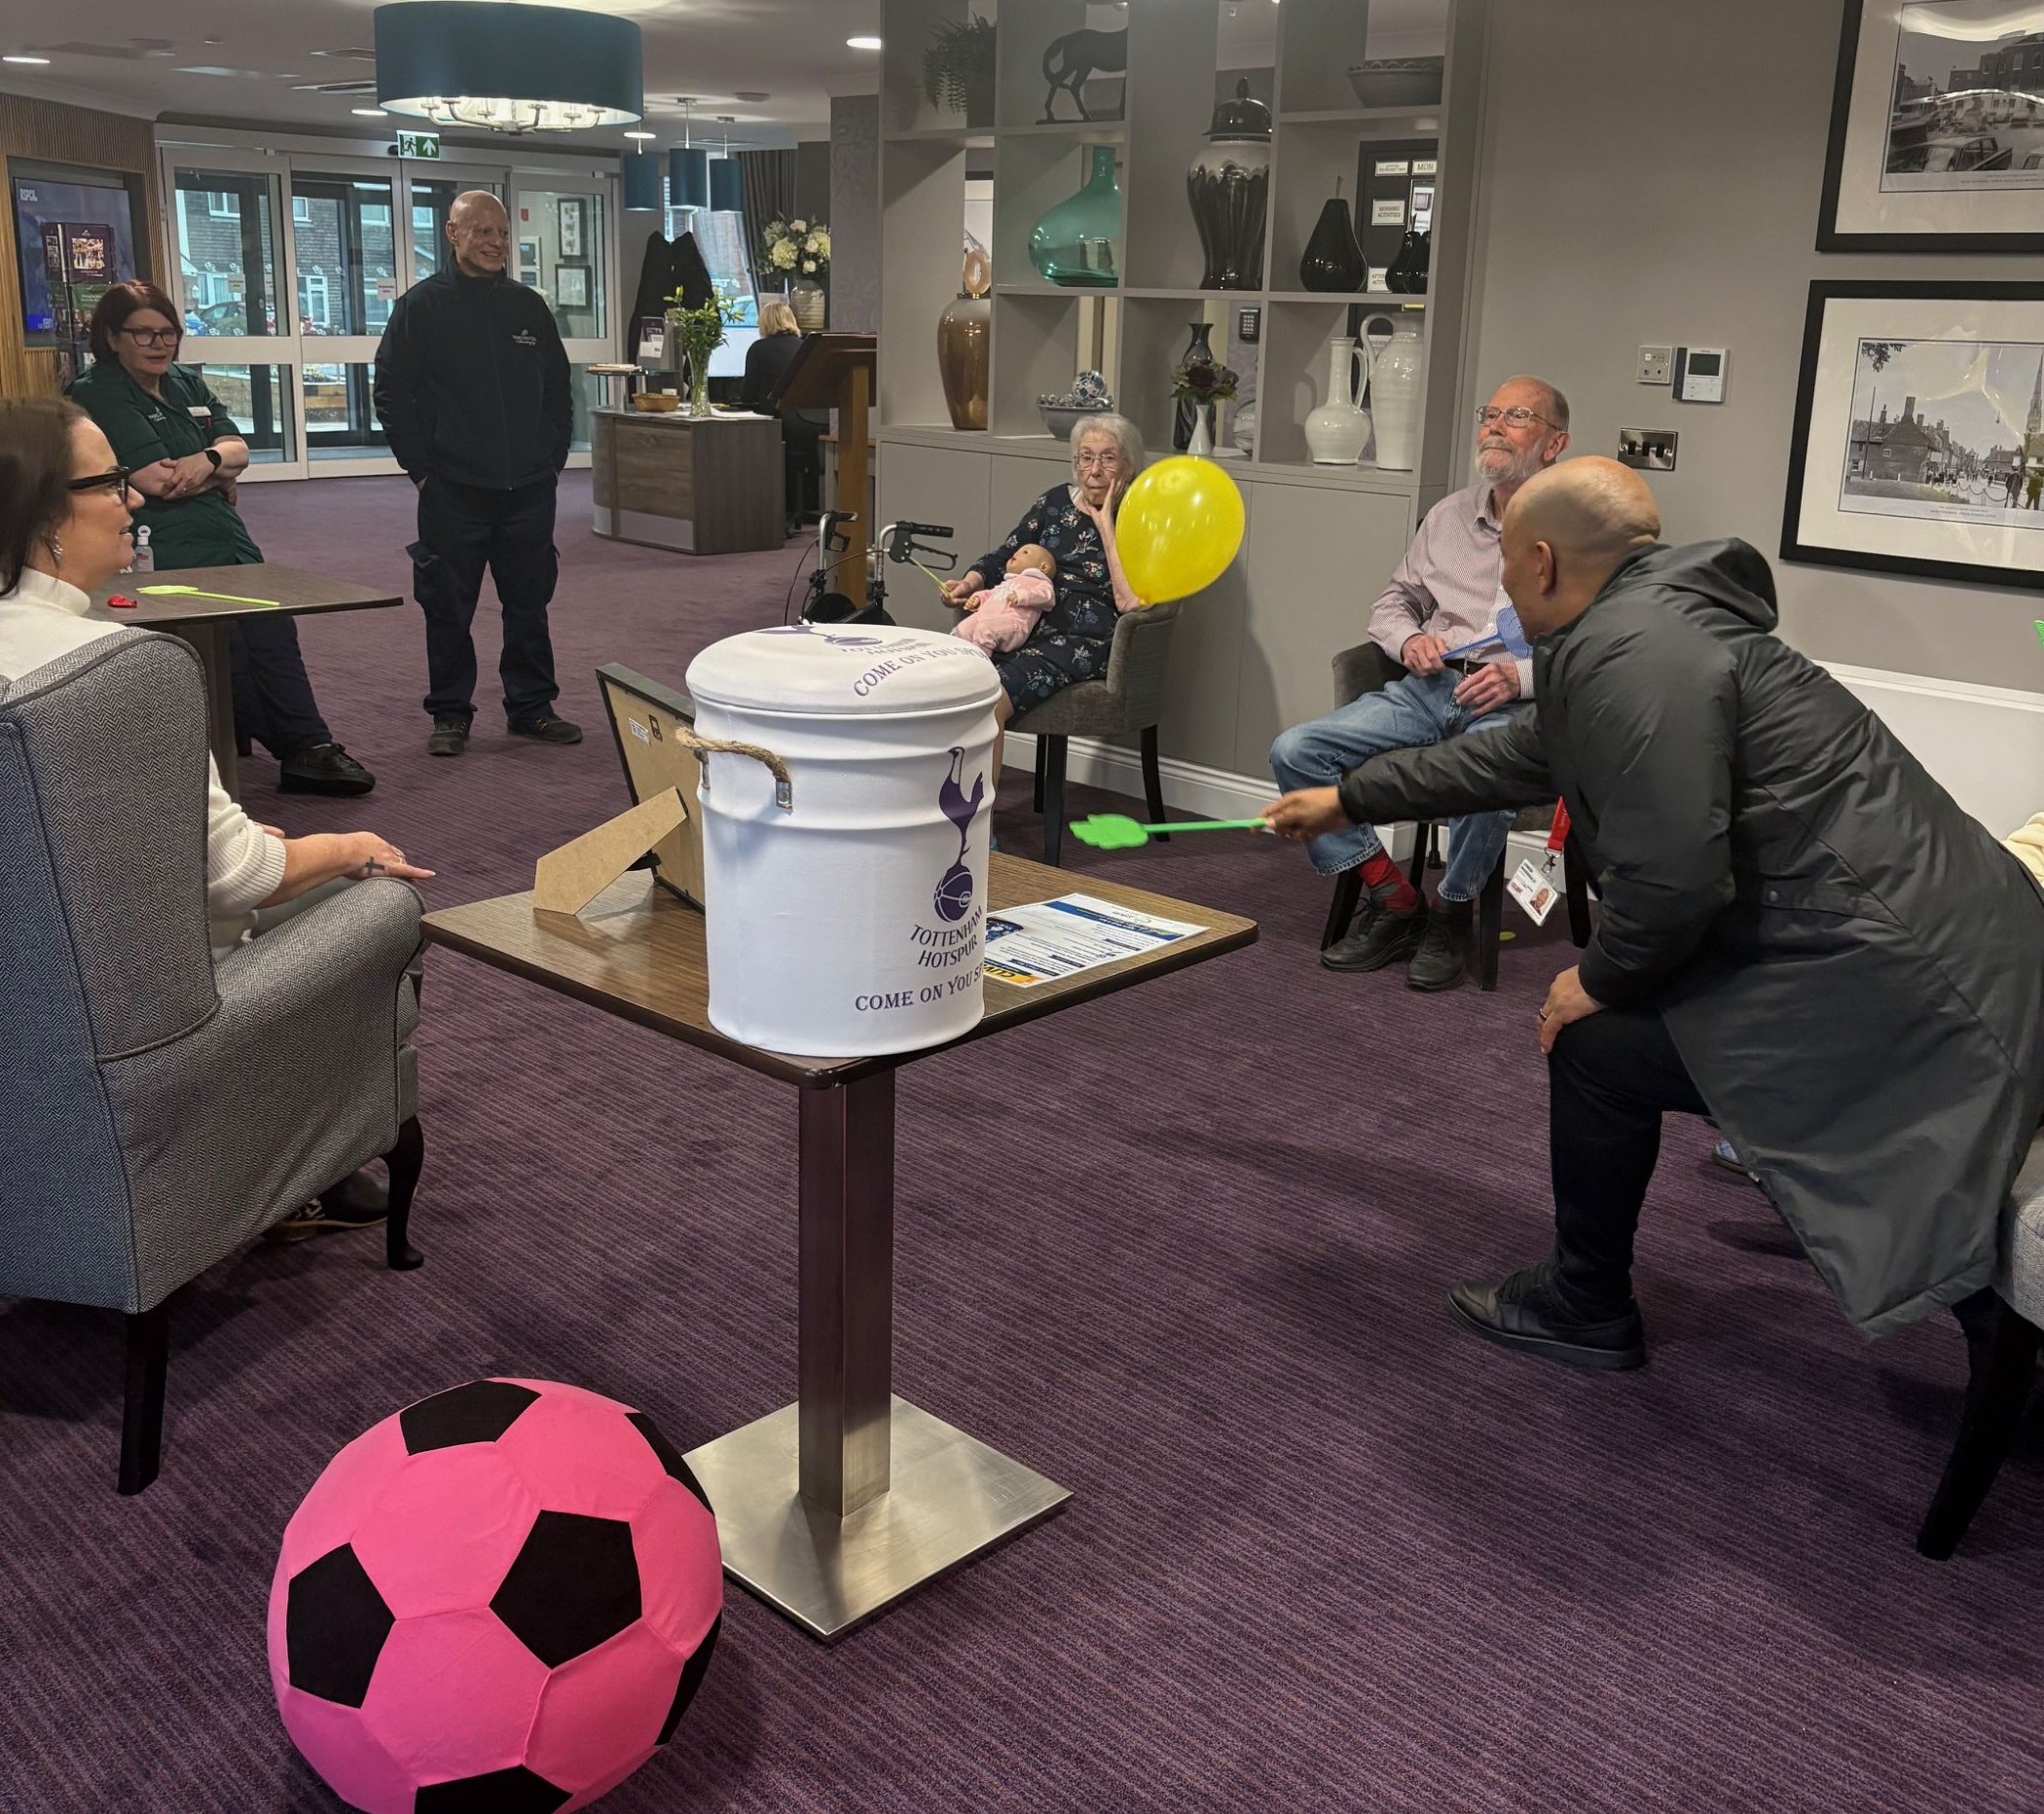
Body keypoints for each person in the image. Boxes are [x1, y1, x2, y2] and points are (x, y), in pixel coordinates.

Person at [1264, 458, 2044, 1369]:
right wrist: (1351, 797)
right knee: (1650, 1015)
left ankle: (1584, 1303)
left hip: (1911, 984)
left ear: (1542, 563)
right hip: (1962, 943)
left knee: (1594, 1046)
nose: (1503, 581)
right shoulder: (1652, 624)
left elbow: (1676, 884)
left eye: (1507, 559)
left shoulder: (1635, 653)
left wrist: (1595, 979)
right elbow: (1516, 756)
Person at [0, 397, 436, 1238]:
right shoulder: (124, 669)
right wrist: (347, 846)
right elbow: (240, 881)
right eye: (110, 482)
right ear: (49, 514)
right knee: (383, 896)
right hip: (146, 1013)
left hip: (30, 1001)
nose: (132, 499)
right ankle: (310, 1156)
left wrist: (186, 842)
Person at [1268, 376, 1571, 993]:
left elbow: (1602, 646)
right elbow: (1394, 602)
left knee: (1489, 775)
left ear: (1554, 443)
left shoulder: (1580, 529)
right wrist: (1408, 640)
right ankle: (1395, 899)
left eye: (1516, 416)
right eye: (1489, 414)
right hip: (1427, 690)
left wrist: (1519, 676)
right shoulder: (1449, 515)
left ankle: (1452, 915)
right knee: (1295, 751)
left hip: (1514, 707)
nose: (1494, 426)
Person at [66, 281, 374, 796]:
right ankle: (302, 745)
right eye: (143, 334)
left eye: (168, 333)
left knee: (272, 619)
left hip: (223, 535)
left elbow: (238, 449)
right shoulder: (98, 392)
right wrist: (219, 472)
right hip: (157, 544)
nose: (159, 344)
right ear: (112, 337)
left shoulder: (185, 382)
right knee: (229, 630)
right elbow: (157, 481)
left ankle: (296, 741)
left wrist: (208, 461)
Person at [373, 190, 579, 758]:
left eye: (503, 233)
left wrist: (553, 457)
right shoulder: (420, 307)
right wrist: (421, 470)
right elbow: (392, 393)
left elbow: (558, 389)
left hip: (528, 487)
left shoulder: (528, 307)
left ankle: (532, 707)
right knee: (447, 606)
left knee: (529, 603)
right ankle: (450, 713)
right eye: (482, 231)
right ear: (453, 233)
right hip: (453, 489)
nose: (495, 243)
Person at [941, 414, 1147, 796]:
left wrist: (1106, 526)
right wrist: (969, 582)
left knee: (990, 699)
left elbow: (1130, 602)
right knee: (955, 685)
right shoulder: (1054, 503)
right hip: (1025, 628)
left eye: (1108, 458)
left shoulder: (1141, 518)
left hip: (1084, 641)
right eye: (1086, 457)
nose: (1094, 471)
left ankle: (978, 821)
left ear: (1129, 466)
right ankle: (937, 808)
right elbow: (1005, 555)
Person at [952, 544, 1056, 654]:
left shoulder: (1040, 583)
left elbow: (1047, 597)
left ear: (1043, 567)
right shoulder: (1008, 582)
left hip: (1012, 624)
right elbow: (991, 593)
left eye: (1025, 552)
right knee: (963, 629)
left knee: (986, 630)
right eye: (1017, 551)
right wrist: (978, 599)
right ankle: (953, 654)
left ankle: (979, 659)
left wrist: (1022, 596)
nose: (1016, 553)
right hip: (985, 618)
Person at [740, 299, 804, 409]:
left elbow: (749, 393)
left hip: (770, 413)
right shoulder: (804, 346)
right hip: (802, 413)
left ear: (764, 322)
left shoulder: (758, 348)